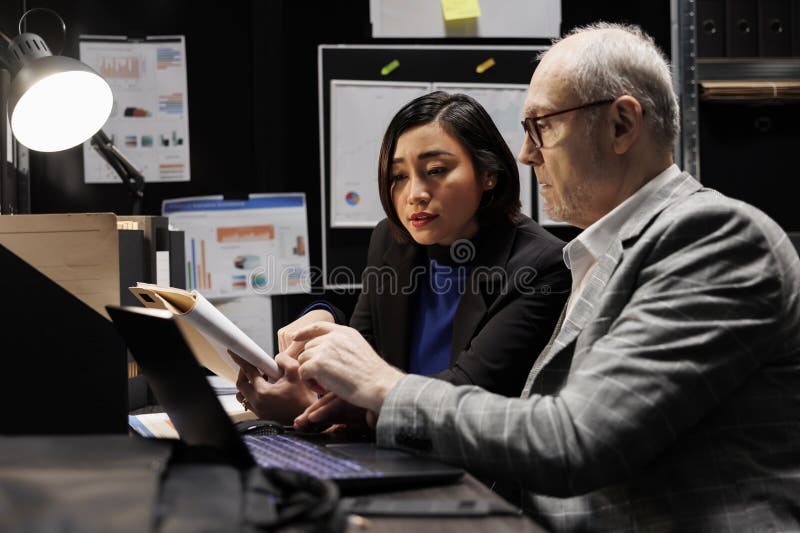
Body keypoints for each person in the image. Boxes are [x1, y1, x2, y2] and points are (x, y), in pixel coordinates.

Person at [285, 23, 800, 531]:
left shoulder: (713, 237)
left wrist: (384, 389)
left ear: (621, 125)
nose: (527, 154)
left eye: (542, 127)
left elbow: (573, 440)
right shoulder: (601, 251)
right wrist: (361, 411)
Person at [234, 91, 570, 424]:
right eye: (399, 177)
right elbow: (358, 356)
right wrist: (317, 334)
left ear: (488, 174)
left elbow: (465, 399)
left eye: (436, 170)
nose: (415, 195)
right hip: (386, 457)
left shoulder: (542, 266)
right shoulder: (392, 241)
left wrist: (308, 409)